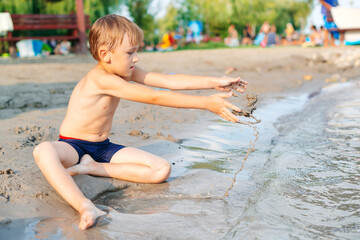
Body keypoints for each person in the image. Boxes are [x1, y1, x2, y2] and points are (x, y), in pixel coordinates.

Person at [32, 14, 247, 230]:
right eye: (130, 52)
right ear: (105, 55)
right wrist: (206, 103)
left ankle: (93, 167)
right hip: (73, 145)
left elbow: (168, 81)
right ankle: (84, 205)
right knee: (43, 150)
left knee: (161, 169)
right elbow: (155, 96)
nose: (136, 58)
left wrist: (214, 82)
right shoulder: (102, 79)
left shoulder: (124, 71)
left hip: (103, 147)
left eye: (136, 51)